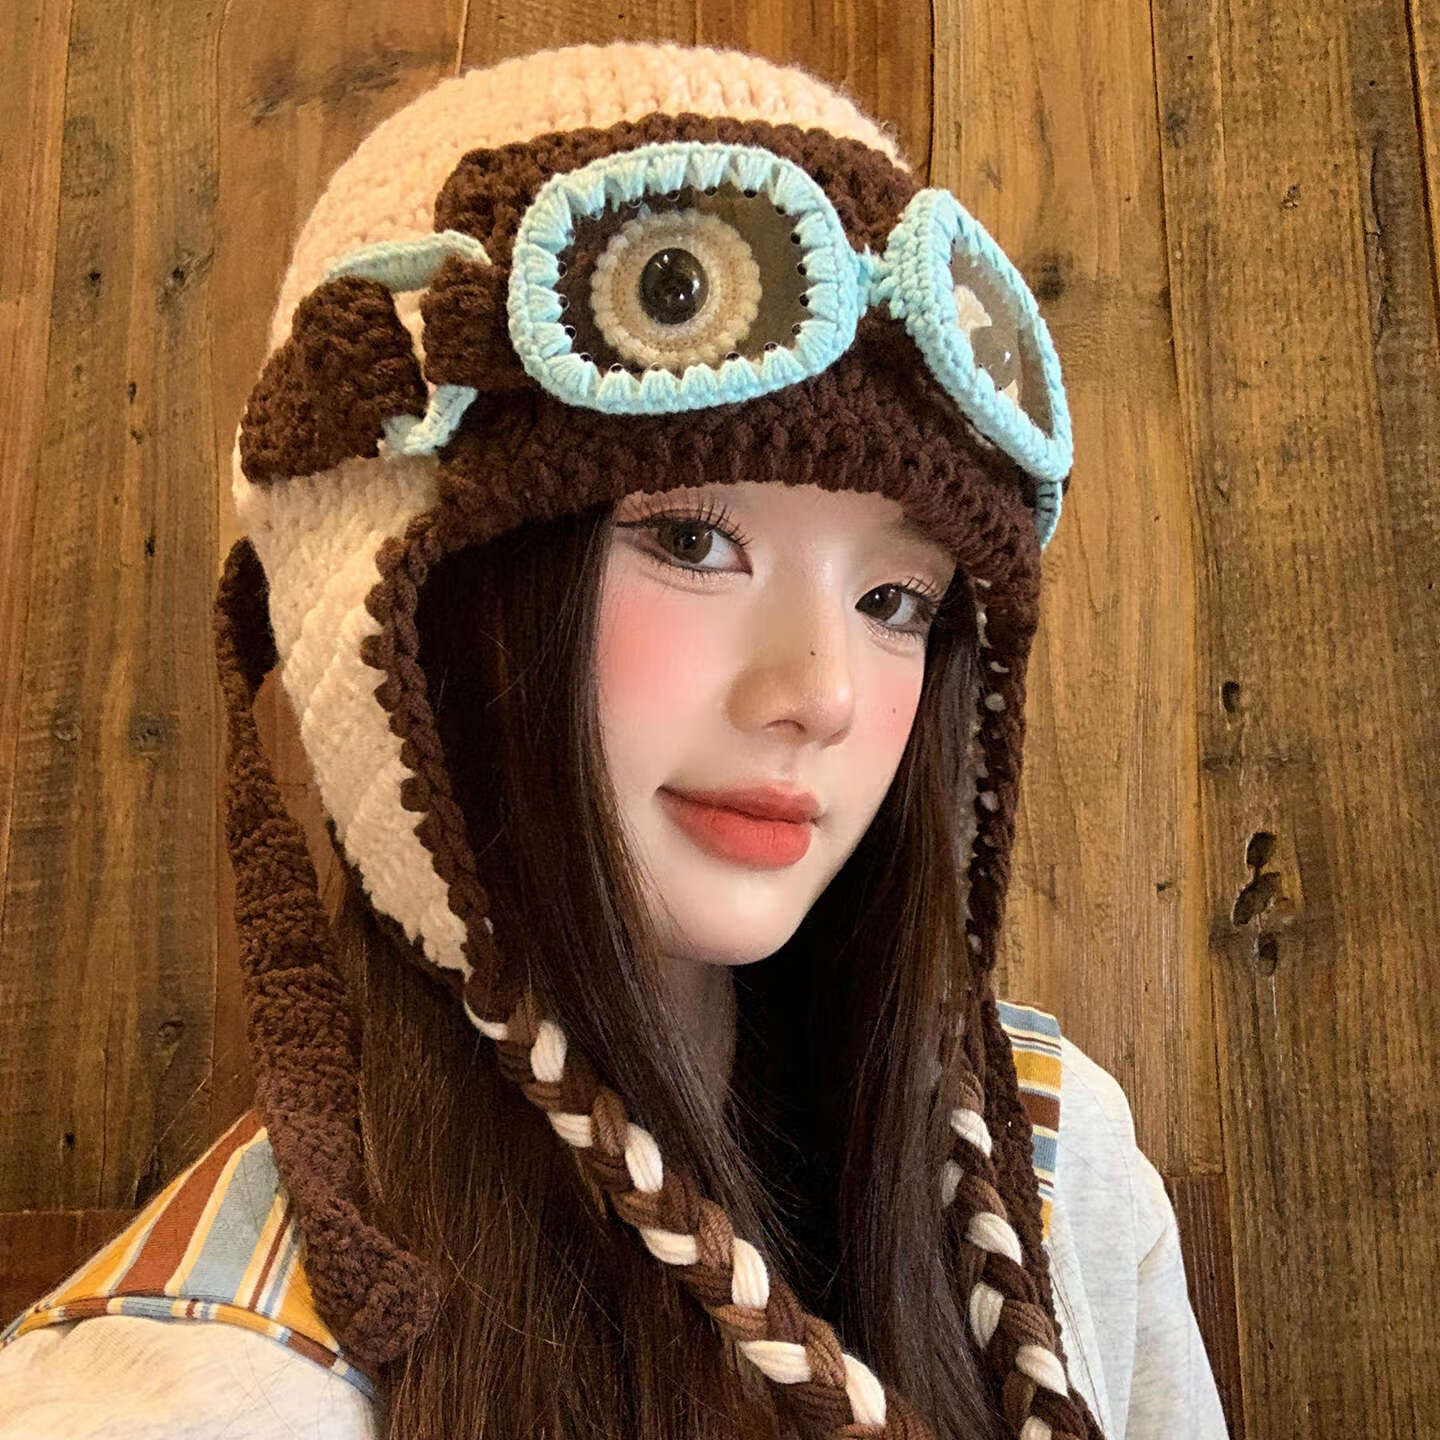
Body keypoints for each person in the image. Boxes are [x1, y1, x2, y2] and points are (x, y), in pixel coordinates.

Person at [0, 40, 1228, 1440]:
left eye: (896, 599)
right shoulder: (193, 1395)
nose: (822, 691)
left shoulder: (1058, 1177)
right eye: (695, 540)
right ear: (392, 619)